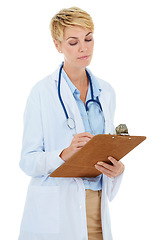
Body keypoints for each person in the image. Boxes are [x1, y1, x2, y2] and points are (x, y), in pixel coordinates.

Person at [18, 6, 124, 240]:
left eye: (88, 38)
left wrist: (116, 170)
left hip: (96, 206)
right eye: (73, 42)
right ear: (58, 46)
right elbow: (27, 161)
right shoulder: (41, 93)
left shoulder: (106, 92)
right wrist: (64, 153)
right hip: (56, 211)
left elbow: (105, 150)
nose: (84, 48)